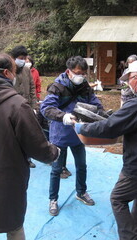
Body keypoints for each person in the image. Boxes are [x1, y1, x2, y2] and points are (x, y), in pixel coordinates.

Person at [0, 53, 59, 240]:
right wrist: (54, 152)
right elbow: (36, 145)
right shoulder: (16, 104)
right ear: (7, 73)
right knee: (14, 223)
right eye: (15, 71)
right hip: (8, 173)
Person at [74, 60, 137, 240]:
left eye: (128, 81)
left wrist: (82, 128)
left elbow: (110, 127)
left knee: (118, 199)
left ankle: (131, 237)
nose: (128, 85)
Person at [41, 56, 104, 216]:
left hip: (79, 133)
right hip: (60, 134)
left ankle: (81, 192)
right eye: (77, 73)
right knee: (56, 169)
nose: (80, 76)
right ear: (68, 72)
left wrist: (103, 113)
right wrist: (63, 116)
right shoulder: (57, 86)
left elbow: (95, 103)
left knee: (81, 166)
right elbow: (47, 108)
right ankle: (53, 199)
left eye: (83, 73)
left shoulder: (84, 86)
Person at [9, 46, 38, 168]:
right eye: (21, 58)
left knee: (27, 134)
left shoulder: (27, 70)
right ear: (14, 58)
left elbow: (32, 87)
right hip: (12, 108)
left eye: (25, 58)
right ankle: (14, 159)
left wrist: (34, 106)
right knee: (13, 135)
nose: (24, 61)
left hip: (26, 106)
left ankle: (28, 158)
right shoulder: (9, 71)